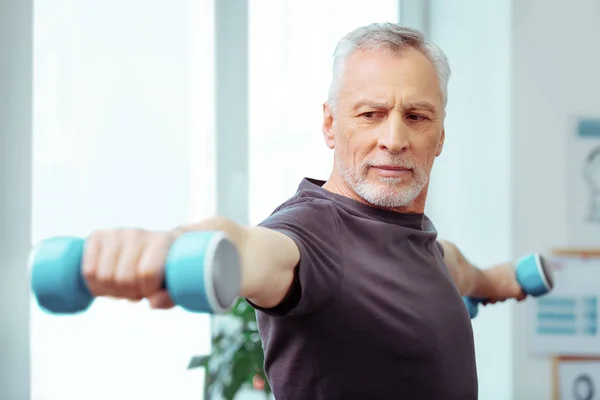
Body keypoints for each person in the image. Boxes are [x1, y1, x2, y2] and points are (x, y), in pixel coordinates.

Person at [80, 23, 525, 399]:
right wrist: (169, 246)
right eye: (370, 114)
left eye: (417, 116)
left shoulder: (424, 243)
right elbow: (253, 247)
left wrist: (501, 281)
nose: (393, 138)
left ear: (441, 136)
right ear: (330, 125)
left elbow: (454, 267)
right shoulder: (314, 234)